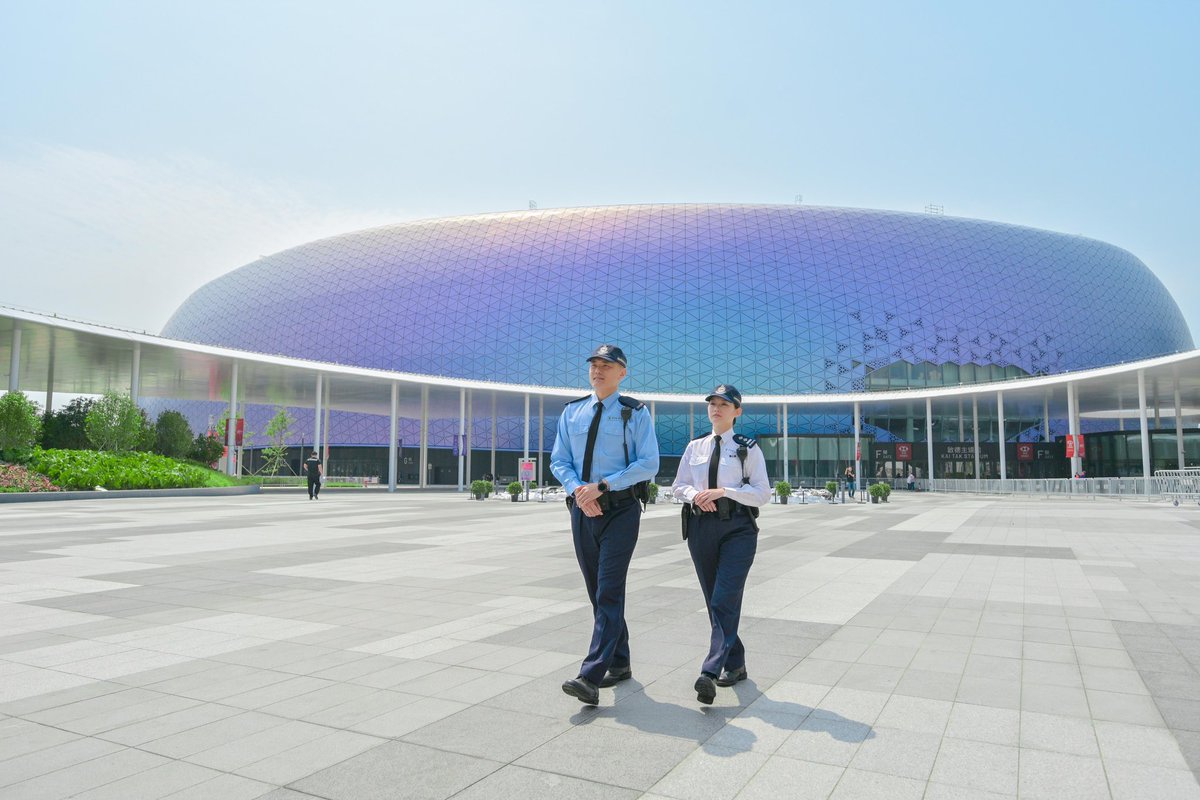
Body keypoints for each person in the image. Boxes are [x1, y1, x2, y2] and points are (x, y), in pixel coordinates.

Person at [550, 344, 659, 706]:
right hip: (582, 510)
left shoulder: (635, 414)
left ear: (622, 372)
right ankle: (621, 661)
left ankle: (590, 675)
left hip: (619, 510)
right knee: (597, 590)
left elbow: (648, 463)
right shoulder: (573, 412)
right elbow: (559, 460)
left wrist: (603, 486)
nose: (598, 370)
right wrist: (579, 491)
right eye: (594, 365)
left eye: (606, 365)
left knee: (609, 589)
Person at [672, 384, 770, 704]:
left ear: (737, 412)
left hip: (737, 529)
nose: (716, 408)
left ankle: (710, 672)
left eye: (724, 405)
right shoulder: (695, 447)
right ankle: (736, 663)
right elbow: (678, 486)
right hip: (701, 527)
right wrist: (694, 495)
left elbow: (762, 494)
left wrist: (725, 492)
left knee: (724, 598)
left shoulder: (747, 448)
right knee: (716, 600)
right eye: (712, 403)